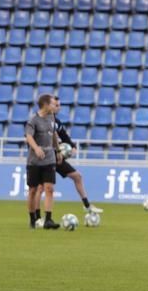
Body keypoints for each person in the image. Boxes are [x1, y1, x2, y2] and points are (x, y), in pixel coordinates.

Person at [37, 95, 103, 216]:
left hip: (57, 158)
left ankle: (87, 206)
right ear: (49, 105)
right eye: (56, 105)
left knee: (77, 176)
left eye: (59, 106)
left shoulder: (56, 122)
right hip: (45, 159)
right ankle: (36, 218)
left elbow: (64, 136)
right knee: (40, 188)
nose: (58, 108)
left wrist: (72, 146)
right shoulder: (41, 120)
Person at [25, 94, 62, 230]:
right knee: (33, 190)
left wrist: (58, 151)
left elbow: (53, 135)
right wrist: (36, 148)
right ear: (46, 105)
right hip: (35, 160)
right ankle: (32, 218)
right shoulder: (33, 120)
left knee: (49, 189)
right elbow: (29, 136)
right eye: (53, 104)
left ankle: (48, 219)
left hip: (49, 158)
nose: (55, 106)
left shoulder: (52, 118)